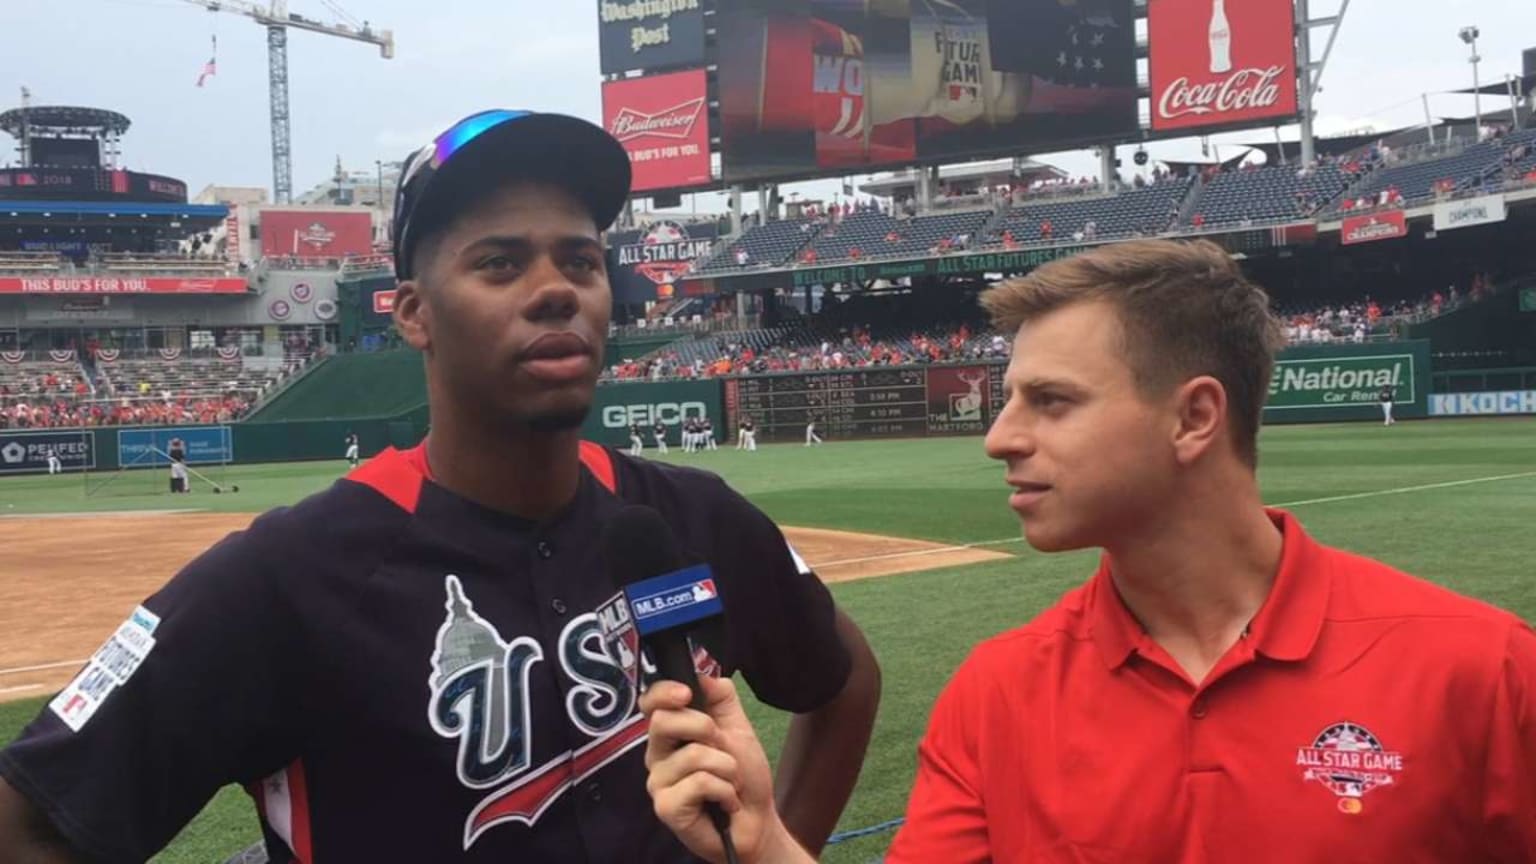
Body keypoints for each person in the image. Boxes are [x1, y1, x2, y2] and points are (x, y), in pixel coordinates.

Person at [0, 110, 880, 863]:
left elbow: (845, 681)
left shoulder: (690, 517)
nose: (554, 291)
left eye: (580, 261)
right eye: (500, 264)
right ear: (414, 314)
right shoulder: (288, 577)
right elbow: (33, 822)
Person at [640, 239, 1536, 863]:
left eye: (1051, 402)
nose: (999, 437)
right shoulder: (997, 695)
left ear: (1194, 417)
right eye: (1007, 398)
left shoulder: (1481, 670)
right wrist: (763, 847)